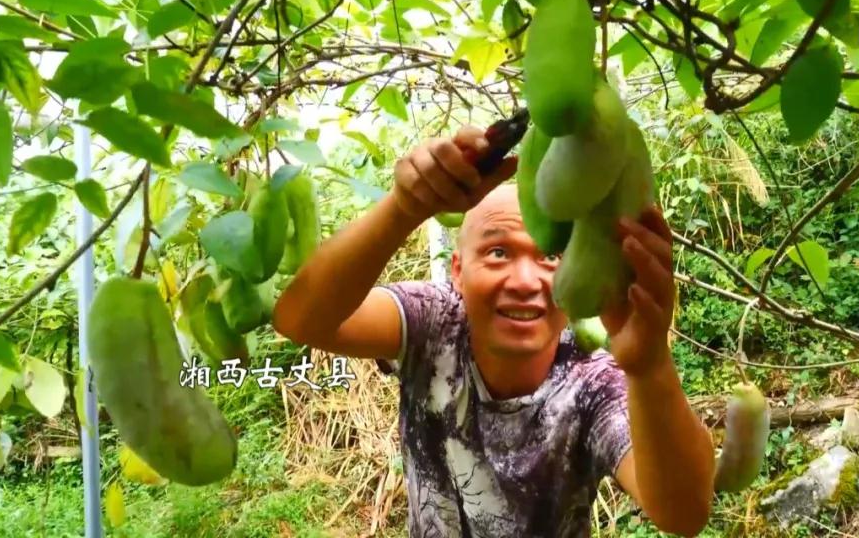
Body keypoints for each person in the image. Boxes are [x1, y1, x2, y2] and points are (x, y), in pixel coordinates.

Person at [273, 125, 716, 537]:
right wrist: (404, 208)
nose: (525, 282)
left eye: (550, 256)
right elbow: (300, 320)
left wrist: (651, 363)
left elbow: (684, 514)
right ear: (458, 273)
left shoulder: (592, 383)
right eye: (499, 252)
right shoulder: (432, 323)